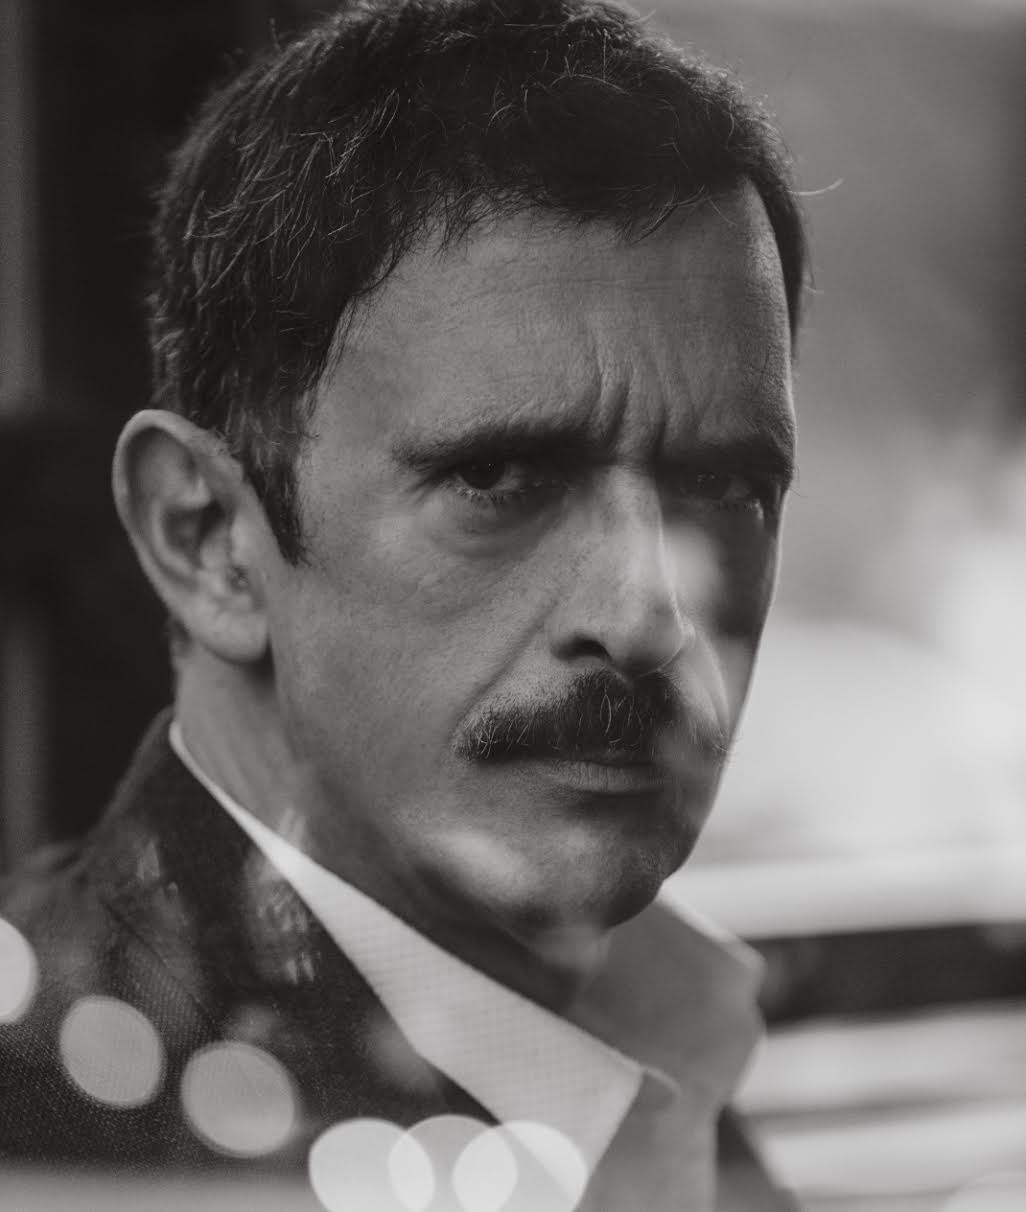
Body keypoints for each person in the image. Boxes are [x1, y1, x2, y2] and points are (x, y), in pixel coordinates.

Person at [0, 0, 806, 1207]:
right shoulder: (59, 1137)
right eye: (501, 477)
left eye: (728, 486)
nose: (650, 617)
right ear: (206, 538)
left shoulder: (641, 1040)